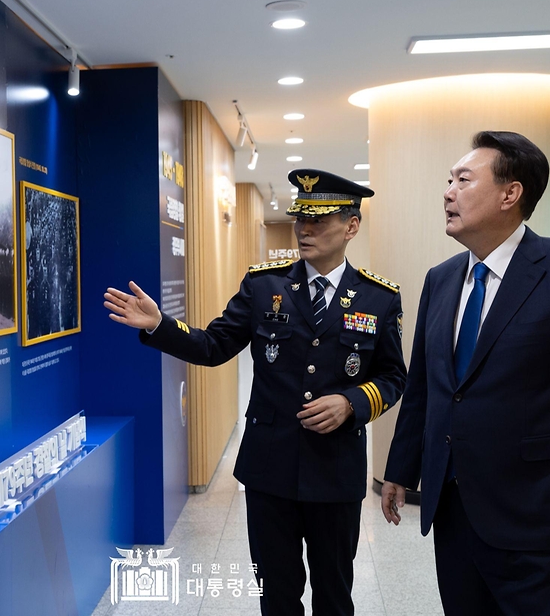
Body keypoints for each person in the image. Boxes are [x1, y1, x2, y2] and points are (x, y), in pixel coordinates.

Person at [104, 169, 407, 616]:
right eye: (301, 219)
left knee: (334, 593)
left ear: (351, 226)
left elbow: (393, 376)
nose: (305, 229)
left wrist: (351, 403)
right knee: (276, 596)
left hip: (335, 473)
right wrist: (159, 326)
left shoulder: (379, 297)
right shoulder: (264, 285)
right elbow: (213, 345)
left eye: (319, 221)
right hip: (270, 470)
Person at [381, 131, 550, 616]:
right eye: (448, 180)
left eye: (462, 179)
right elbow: (424, 389)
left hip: (540, 515)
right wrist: (401, 468)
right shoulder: (441, 279)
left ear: (510, 193)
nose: (447, 192)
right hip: (455, 511)